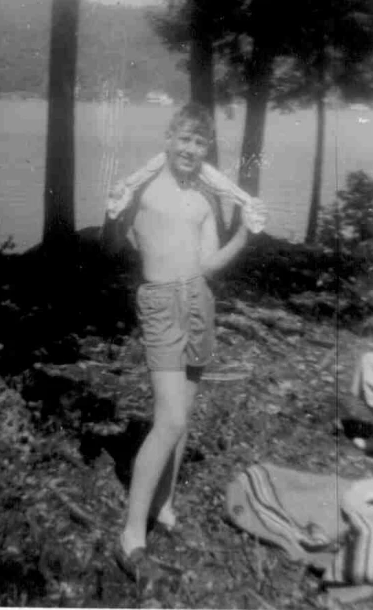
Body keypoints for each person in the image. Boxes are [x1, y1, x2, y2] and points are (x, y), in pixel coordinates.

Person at [103, 102, 267, 584]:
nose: (191, 149)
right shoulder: (144, 190)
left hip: (200, 301)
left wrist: (245, 232)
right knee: (169, 418)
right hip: (159, 303)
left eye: (200, 143)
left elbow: (210, 263)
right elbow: (117, 243)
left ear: (205, 150)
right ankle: (131, 534)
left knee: (183, 418)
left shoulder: (204, 199)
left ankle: (165, 503)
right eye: (184, 139)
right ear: (169, 140)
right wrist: (113, 213)